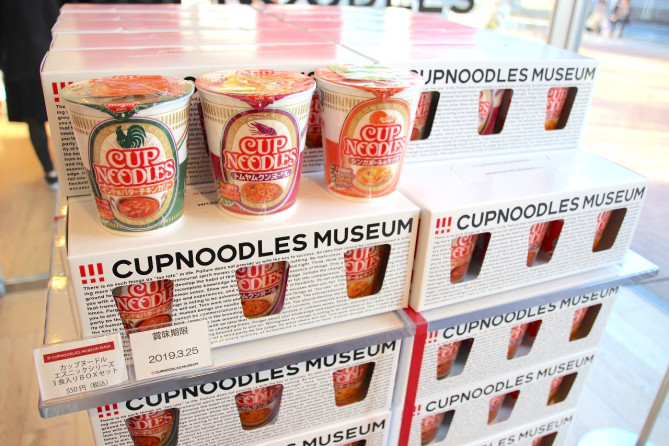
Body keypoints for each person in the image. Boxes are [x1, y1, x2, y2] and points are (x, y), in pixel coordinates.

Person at [0, 0, 62, 190]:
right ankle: (60, 170)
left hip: (20, 61)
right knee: (60, 114)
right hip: (50, 56)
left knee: (35, 120)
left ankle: (50, 172)